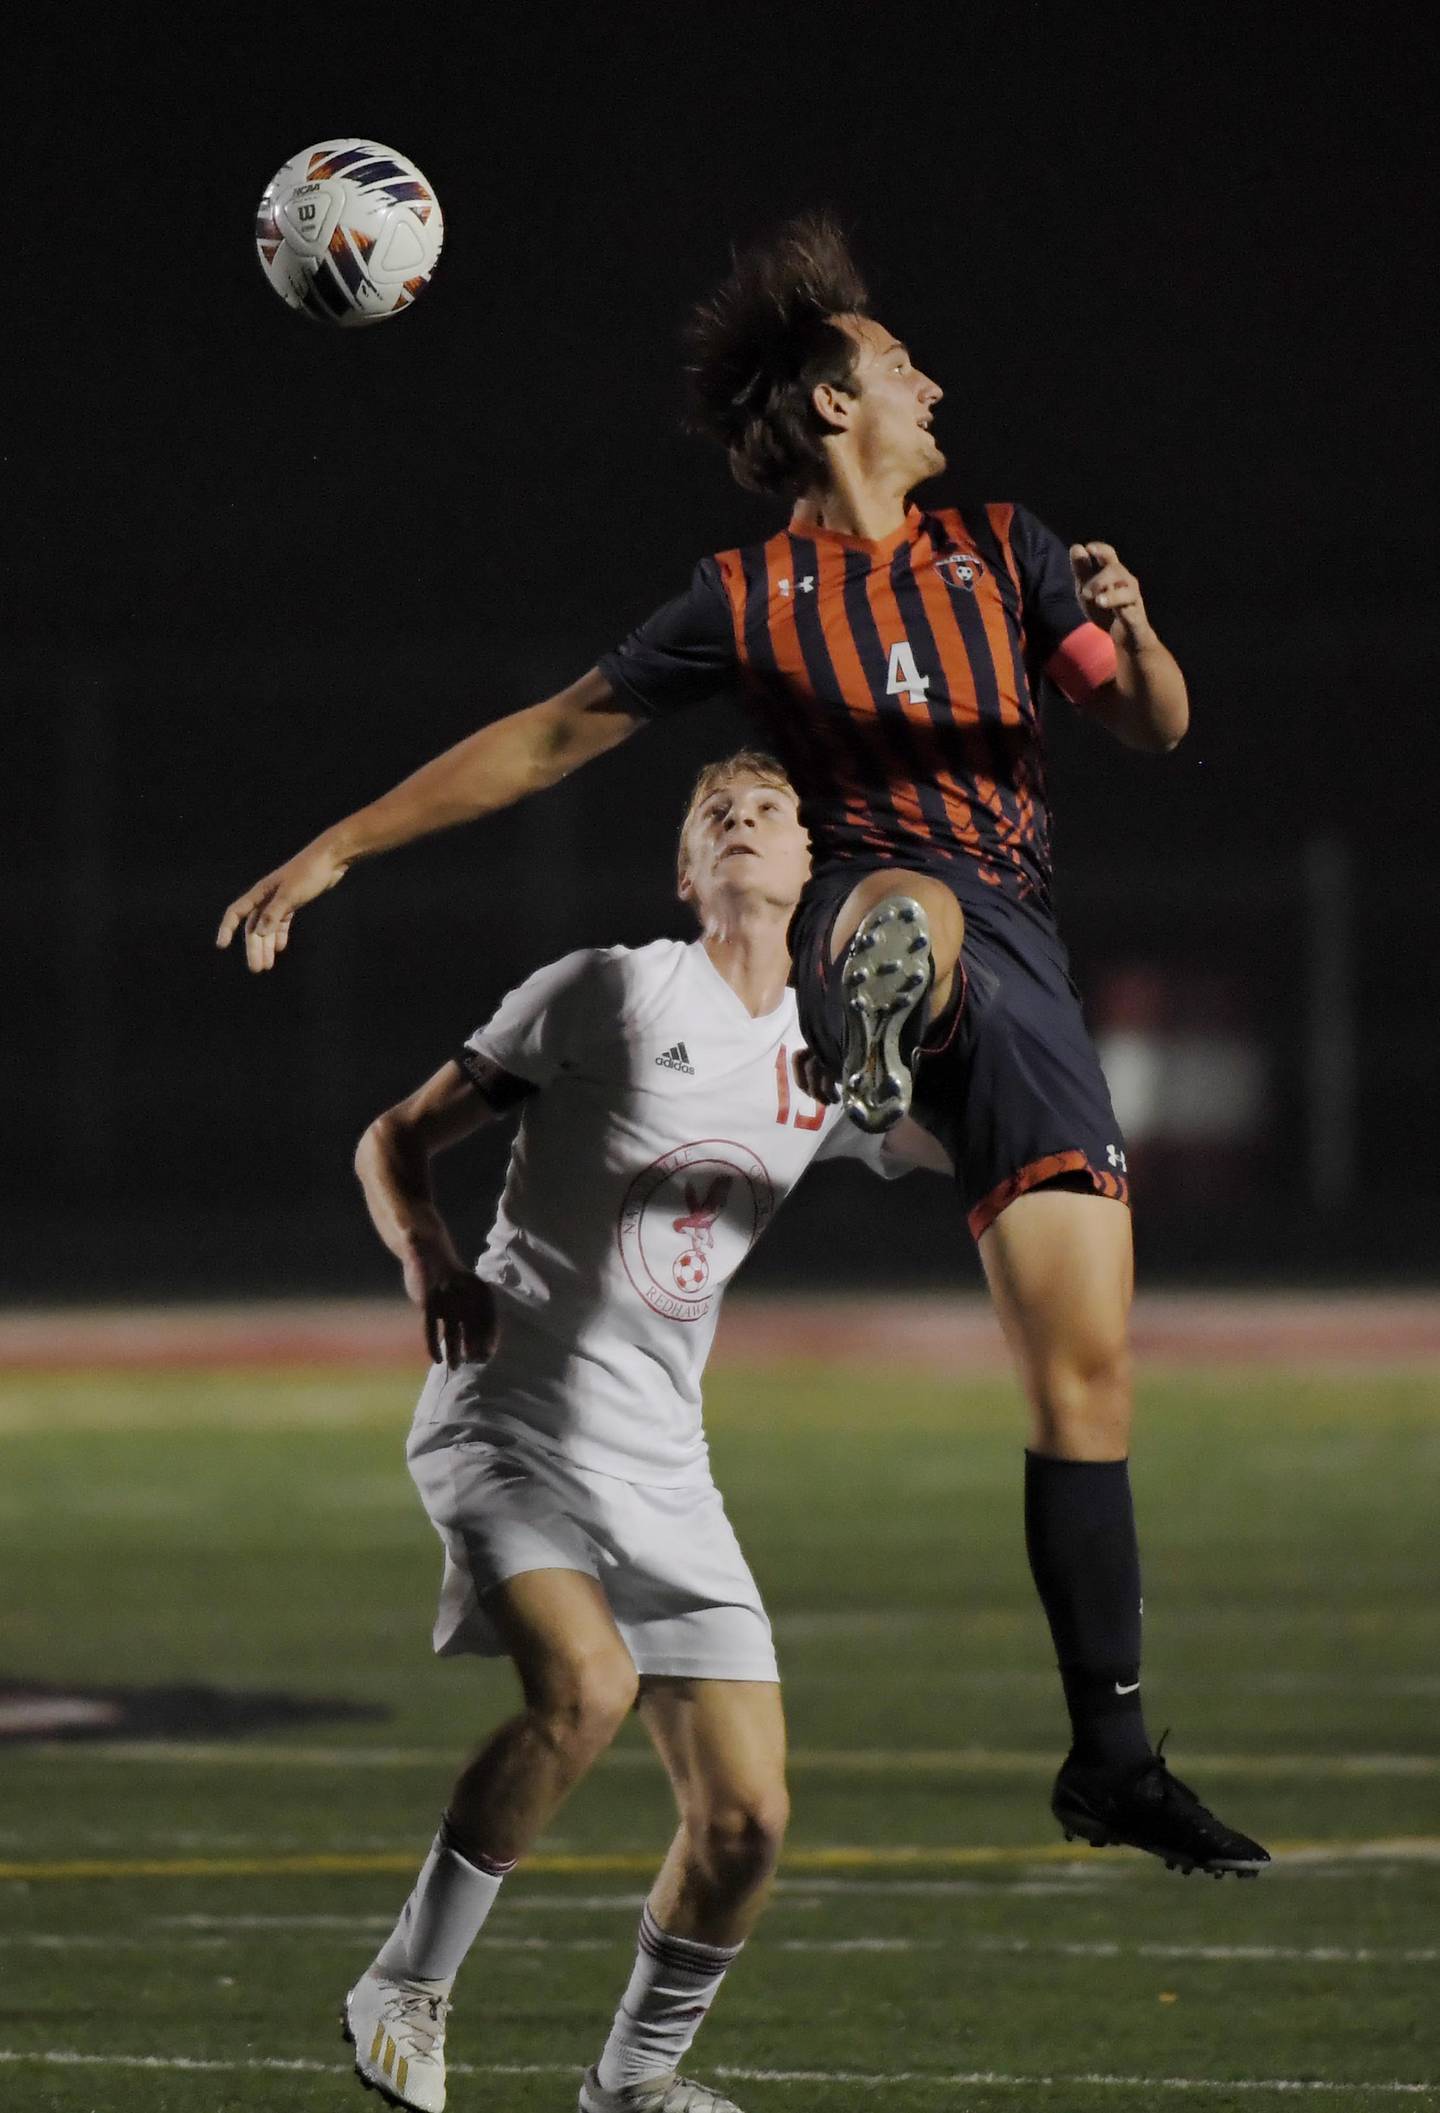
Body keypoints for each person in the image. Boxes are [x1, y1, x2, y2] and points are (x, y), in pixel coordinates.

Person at [217, 213, 1267, 1881]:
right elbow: (554, 735)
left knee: (1085, 1373)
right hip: (868, 913)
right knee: (896, 908)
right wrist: (342, 842)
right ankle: (862, 1050)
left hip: (1033, 969)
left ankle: (1113, 1755)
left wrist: (1135, 639)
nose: (936, 382)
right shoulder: (753, 596)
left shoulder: (1010, 548)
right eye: (905, 362)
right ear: (840, 404)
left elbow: (1151, 719)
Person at [342, 752, 938, 2113]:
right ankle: (407, 1983)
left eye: (773, 810)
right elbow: (391, 1137)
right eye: (713, 811)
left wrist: (1008, 1082)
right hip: (511, 1420)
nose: (742, 819)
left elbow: (962, 1146)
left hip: (666, 1462)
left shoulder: (828, 1051)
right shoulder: (609, 988)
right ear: (685, 873)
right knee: (588, 1689)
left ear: (809, 869)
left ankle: (632, 2083)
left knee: (745, 1821)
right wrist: (430, 1256)